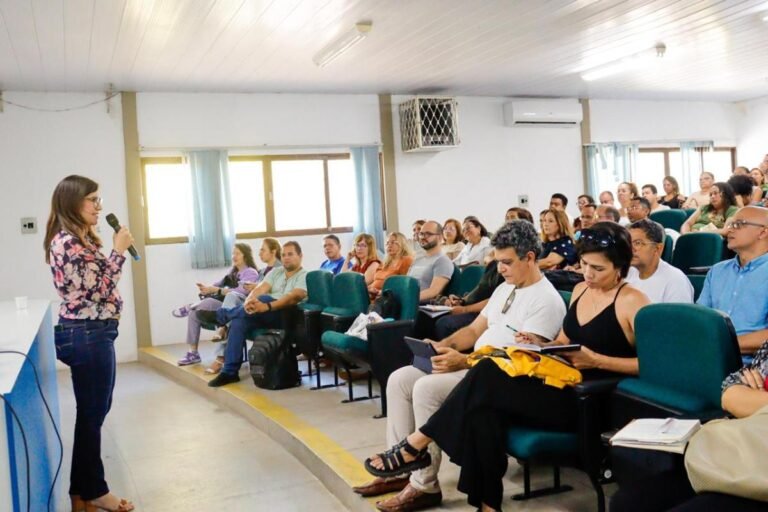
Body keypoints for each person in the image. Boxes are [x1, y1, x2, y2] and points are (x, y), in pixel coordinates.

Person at [364, 222, 650, 512]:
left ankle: (415, 444)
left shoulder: (632, 302)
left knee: (485, 372)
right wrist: (541, 345)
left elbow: (650, 366)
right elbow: (564, 341)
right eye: (585, 265)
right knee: (482, 412)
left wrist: (596, 360)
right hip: (559, 382)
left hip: (588, 400)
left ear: (620, 267)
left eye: (598, 269)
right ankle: (488, 506)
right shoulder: (579, 290)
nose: (587, 274)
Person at [355, 221, 566, 512]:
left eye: (507, 262)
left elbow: (522, 361)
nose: (500, 269)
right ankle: (402, 472)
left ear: (529, 258)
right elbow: (474, 330)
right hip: (475, 364)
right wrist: (447, 346)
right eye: (498, 261)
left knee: (426, 388)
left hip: (498, 378)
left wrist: (465, 360)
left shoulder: (546, 300)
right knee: (400, 378)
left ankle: (423, 483)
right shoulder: (506, 288)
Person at [45, 175, 135, 512]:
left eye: (99, 199)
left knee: (92, 414)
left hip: (92, 333)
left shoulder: (77, 238)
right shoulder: (66, 243)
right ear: (73, 203)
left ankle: (80, 494)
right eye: (92, 200)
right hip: (86, 334)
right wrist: (119, 251)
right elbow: (100, 287)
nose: (99, 206)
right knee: (92, 415)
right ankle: (95, 490)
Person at [610, 344, 768, 512]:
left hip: (759, 472)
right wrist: (744, 397)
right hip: (739, 452)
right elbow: (730, 393)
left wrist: (750, 397)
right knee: (627, 503)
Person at [200, 241, 308, 387]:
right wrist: (249, 301)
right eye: (283, 255)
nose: (286, 258)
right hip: (263, 312)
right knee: (239, 322)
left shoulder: (304, 275)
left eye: (290, 254)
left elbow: (293, 297)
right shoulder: (276, 272)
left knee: (263, 299)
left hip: (285, 315)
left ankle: (222, 316)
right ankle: (230, 372)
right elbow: (260, 288)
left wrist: (267, 306)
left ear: (300, 256)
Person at [175, 243, 260, 367]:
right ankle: (193, 353)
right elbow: (216, 285)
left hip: (239, 306)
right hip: (225, 306)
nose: (233, 256)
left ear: (245, 256)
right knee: (194, 313)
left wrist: (216, 290)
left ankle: (191, 306)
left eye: (237, 253)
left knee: (221, 299)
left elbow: (241, 292)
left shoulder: (251, 272)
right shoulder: (232, 273)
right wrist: (206, 289)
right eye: (233, 253)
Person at [697, 206, 768, 355]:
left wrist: (718, 344)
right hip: (709, 357)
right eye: (730, 224)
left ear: (763, 232)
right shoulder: (717, 270)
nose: (729, 230)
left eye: (738, 224)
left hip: (754, 368)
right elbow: (700, 318)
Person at [626, 219, 693, 303]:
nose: (630, 248)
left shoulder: (676, 280)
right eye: (628, 243)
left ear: (658, 248)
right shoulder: (627, 274)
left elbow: (679, 315)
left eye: (638, 243)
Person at [408, 221, 454, 303]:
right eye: (421, 234)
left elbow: (433, 291)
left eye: (428, 234)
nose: (422, 237)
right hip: (406, 301)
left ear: (440, 237)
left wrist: (407, 298)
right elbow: (406, 281)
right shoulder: (418, 258)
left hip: (418, 306)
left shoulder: (443, 261)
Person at [369, 232, 414, 298]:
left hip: (389, 298)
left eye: (393, 242)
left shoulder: (406, 260)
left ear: (402, 244)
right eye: (387, 243)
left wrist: (381, 292)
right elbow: (375, 281)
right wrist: (368, 289)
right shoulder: (385, 262)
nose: (389, 245)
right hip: (373, 296)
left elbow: (404, 285)